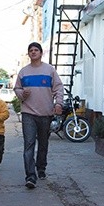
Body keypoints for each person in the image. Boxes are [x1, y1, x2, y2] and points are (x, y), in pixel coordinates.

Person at [13, 42, 63, 189]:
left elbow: (58, 88)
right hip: (28, 113)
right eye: (31, 50)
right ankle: (30, 176)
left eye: (36, 50)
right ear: (28, 54)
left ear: (41, 53)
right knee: (29, 144)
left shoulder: (49, 70)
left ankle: (41, 168)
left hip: (46, 113)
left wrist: (58, 103)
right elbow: (17, 88)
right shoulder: (23, 72)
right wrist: (22, 94)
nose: (33, 52)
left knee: (43, 144)